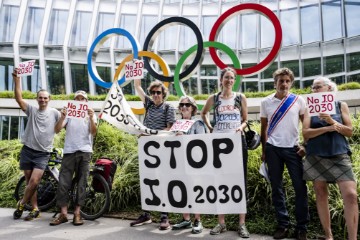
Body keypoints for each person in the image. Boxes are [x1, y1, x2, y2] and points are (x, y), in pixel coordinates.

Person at [302, 77, 358, 240]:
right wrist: (328, 128)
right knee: (320, 193)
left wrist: (332, 120)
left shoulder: (341, 106)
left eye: (318, 86)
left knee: (350, 195)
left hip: (339, 153)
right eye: (313, 87)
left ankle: (352, 238)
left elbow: (349, 131)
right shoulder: (309, 108)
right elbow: (306, 133)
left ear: (329, 88)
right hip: (316, 154)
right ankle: (328, 235)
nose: (315, 89)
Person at [260, 67, 309, 240]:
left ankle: (301, 227)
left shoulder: (298, 100)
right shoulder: (266, 102)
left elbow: (306, 126)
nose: (284, 84)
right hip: (273, 149)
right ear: (275, 83)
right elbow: (263, 128)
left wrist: (305, 145)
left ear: (291, 83)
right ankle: (283, 224)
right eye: (281, 81)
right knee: (277, 189)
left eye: (287, 81)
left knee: (300, 188)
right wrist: (264, 150)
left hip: (294, 149)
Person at [200, 67, 250, 238]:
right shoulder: (214, 98)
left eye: (231, 78)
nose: (229, 80)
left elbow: (245, 119)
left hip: (237, 142)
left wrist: (240, 127)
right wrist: (210, 127)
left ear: (234, 80)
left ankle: (241, 224)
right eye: (226, 77)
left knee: (240, 181)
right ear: (221, 80)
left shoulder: (240, 97)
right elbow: (203, 113)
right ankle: (221, 222)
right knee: (220, 180)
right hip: (219, 144)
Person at [12, 69, 60, 221]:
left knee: (34, 182)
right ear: (37, 99)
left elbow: (64, 125)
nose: (43, 100)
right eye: (40, 98)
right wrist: (17, 79)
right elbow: (19, 99)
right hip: (27, 150)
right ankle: (34, 209)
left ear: (49, 99)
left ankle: (21, 204)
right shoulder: (32, 110)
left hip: (42, 153)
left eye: (45, 98)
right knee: (29, 183)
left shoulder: (55, 113)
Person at [130, 78, 176, 230]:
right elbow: (137, 87)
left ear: (163, 94)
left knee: (162, 182)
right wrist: (137, 74)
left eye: (158, 92)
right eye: (153, 92)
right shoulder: (149, 104)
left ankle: (164, 216)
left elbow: (169, 129)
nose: (155, 95)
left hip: (161, 150)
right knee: (147, 181)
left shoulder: (168, 108)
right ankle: (146, 214)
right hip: (147, 150)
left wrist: (153, 137)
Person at [49, 90, 97, 226]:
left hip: (85, 151)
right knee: (64, 182)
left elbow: (93, 132)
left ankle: (77, 213)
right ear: (74, 101)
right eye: (77, 99)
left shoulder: (90, 114)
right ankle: (63, 214)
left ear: (86, 102)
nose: (80, 101)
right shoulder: (69, 114)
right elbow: (57, 129)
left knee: (82, 183)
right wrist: (62, 117)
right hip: (69, 151)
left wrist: (92, 118)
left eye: (82, 99)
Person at [171, 96, 207, 234]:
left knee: (195, 190)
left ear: (193, 108)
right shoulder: (177, 124)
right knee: (182, 190)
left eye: (187, 104)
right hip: (179, 163)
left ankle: (197, 220)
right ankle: (186, 219)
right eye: (182, 105)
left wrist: (184, 138)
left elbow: (202, 143)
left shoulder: (198, 124)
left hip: (195, 163)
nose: (184, 107)